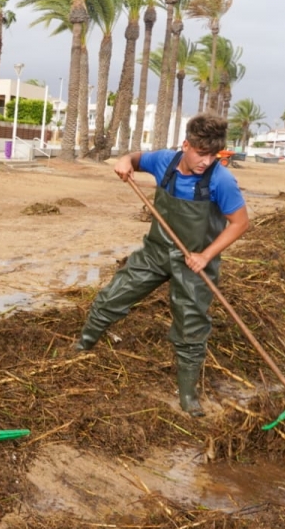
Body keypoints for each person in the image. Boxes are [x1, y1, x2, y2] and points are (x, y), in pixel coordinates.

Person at [72, 113, 249, 416]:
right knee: (114, 295)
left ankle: (188, 395)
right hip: (156, 251)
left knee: (191, 326)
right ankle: (82, 346)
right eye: (201, 153)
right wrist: (125, 161)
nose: (206, 161)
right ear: (186, 145)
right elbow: (136, 158)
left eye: (213, 155)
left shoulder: (221, 180)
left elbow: (240, 223)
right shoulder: (165, 161)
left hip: (194, 261)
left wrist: (205, 256)